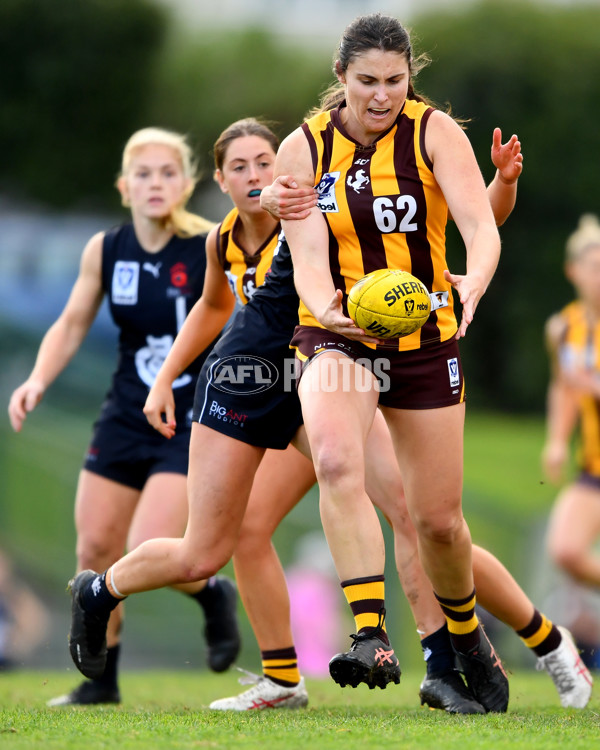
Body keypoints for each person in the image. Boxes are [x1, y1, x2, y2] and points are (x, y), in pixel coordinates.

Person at [63, 115, 591, 714]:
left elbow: (441, 223)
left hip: (324, 368)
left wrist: (499, 189)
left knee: (420, 516)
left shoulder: (326, 195)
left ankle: (469, 656)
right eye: (242, 168)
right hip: (252, 378)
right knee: (208, 549)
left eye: (267, 163)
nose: (260, 176)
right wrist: (163, 379)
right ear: (220, 180)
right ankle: (106, 594)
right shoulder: (225, 240)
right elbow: (212, 311)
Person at [274, 12, 519, 713]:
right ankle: (370, 634)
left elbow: (479, 223)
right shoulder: (304, 148)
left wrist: (474, 277)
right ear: (341, 77)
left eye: (394, 80)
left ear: (410, 76)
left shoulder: (434, 131)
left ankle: (463, 645)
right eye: (366, 82)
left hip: (426, 340)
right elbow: (309, 261)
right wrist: (329, 309)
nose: (381, 95)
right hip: (339, 333)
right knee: (337, 460)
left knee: (438, 522)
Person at [7, 127, 240, 706]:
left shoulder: (210, 245)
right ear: (123, 185)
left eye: (167, 173)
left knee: (149, 544)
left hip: (190, 421)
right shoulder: (105, 250)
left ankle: (211, 594)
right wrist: (37, 379)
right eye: (143, 173)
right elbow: (70, 323)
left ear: (186, 184)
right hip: (124, 415)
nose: (155, 183)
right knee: (95, 551)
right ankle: (101, 685)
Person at [543, 214, 600, 593]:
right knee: (565, 550)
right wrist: (558, 439)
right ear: (572, 272)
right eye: (594, 268)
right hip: (593, 465)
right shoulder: (564, 327)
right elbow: (564, 388)